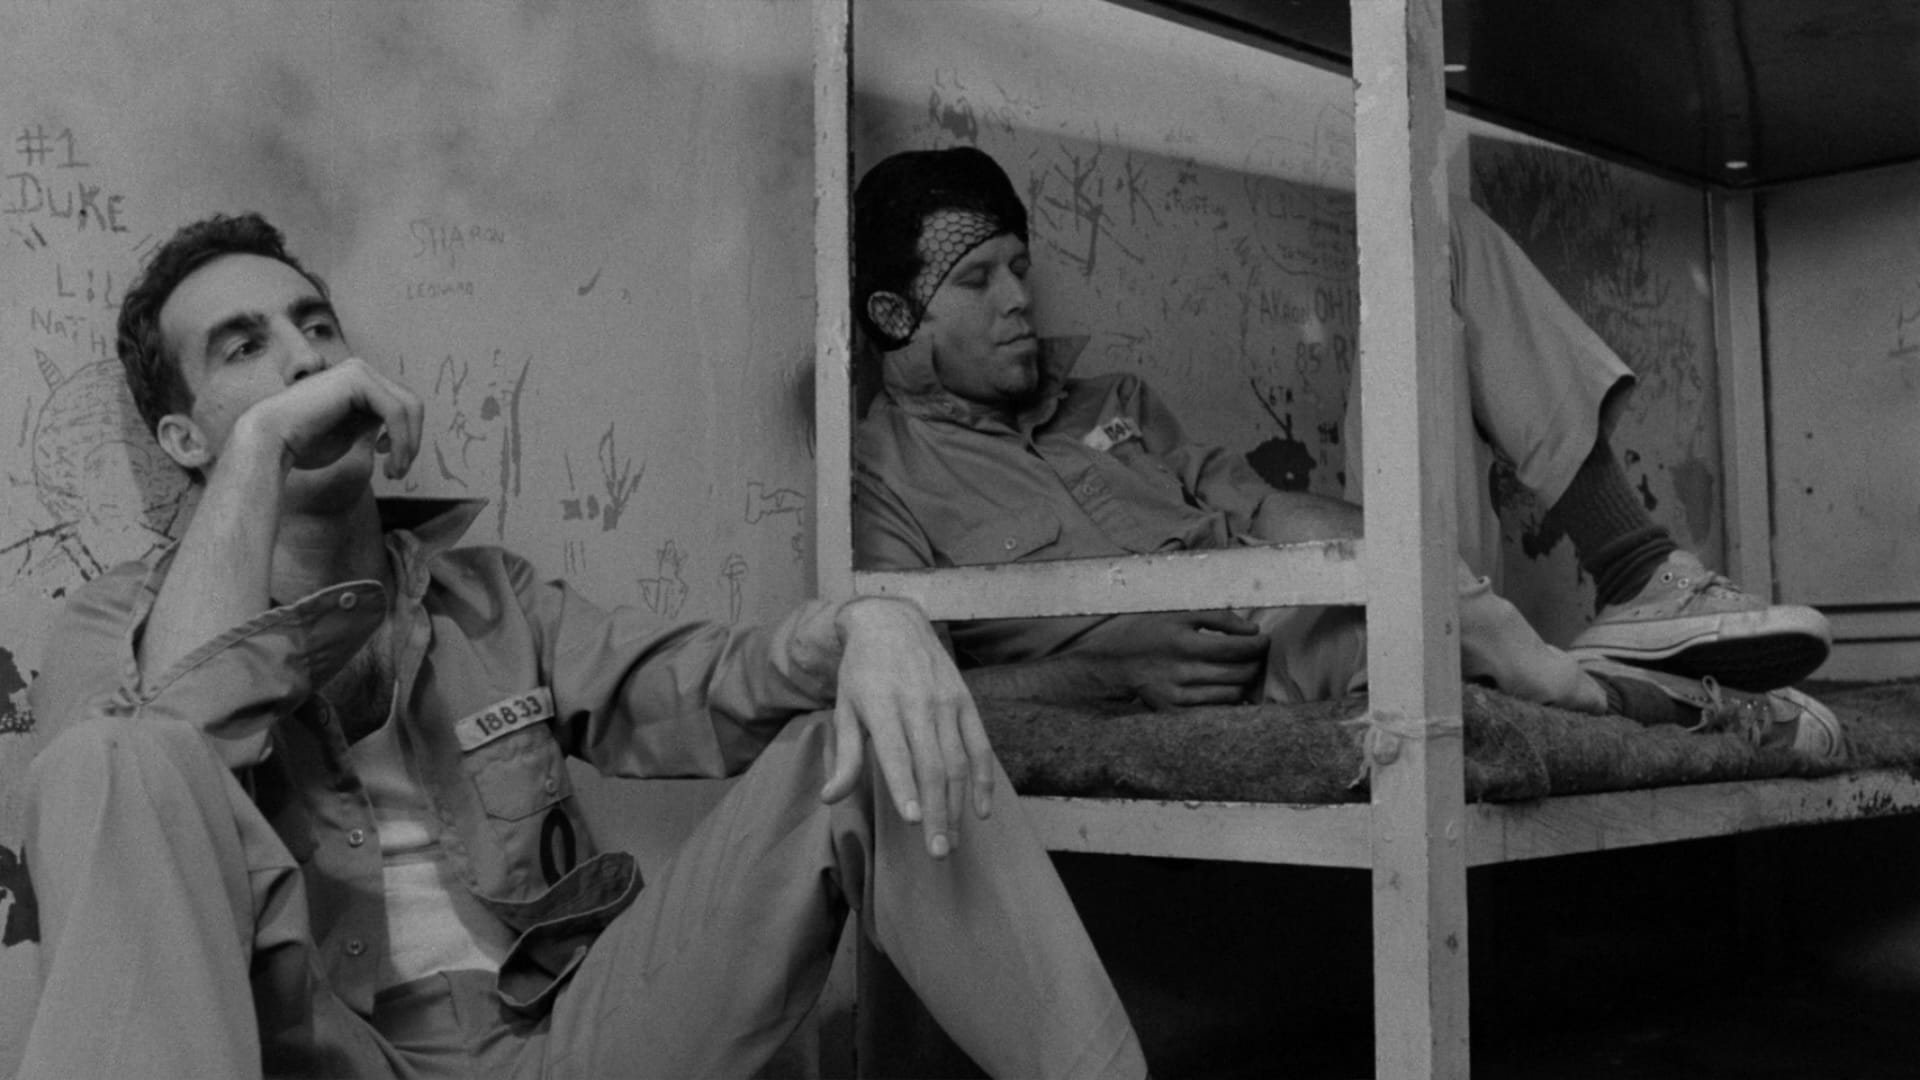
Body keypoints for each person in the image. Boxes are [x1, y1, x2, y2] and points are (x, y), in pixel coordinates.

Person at [18, 212, 1147, 1079]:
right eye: (244, 349)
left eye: (318, 326)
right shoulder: (113, 630)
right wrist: (261, 452)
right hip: (326, 1056)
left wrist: (872, 625)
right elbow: (143, 817)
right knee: (116, 759)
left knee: (865, 736)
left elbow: (709, 682)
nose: (307, 360)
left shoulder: (491, 599)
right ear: (185, 438)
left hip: (563, 1049)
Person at [850, 145, 1841, 758]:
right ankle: (1687, 705)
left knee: (1433, 220)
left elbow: (1261, 509)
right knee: (1426, 648)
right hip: (1266, 667)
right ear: (895, 316)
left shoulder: (1110, 402)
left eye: (1020, 268)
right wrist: (1116, 676)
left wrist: (1403, 564)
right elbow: (909, 685)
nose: (1020, 299)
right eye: (979, 281)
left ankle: (1634, 574)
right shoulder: (880, 478)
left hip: (1331, 593)